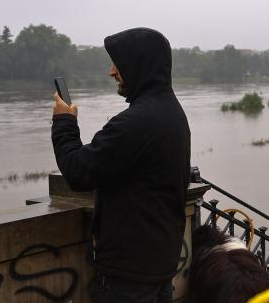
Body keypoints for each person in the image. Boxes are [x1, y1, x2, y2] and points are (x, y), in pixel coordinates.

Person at [51, 27, 191, 303]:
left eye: (118, 63)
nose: (112, 71)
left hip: (129, 276)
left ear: (138, 65)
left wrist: (64, 122)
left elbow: (78, 172)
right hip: (159, 266)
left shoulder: (136, 122)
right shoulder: (172, 112)